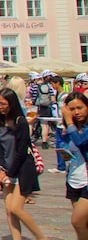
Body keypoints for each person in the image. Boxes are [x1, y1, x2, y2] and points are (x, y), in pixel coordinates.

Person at [0, 87, 45, 240]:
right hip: (7, 168)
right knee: (9, 209)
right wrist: (1, 169)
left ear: (11, 103)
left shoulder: (20, 122)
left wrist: (9, 172)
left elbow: (22, 150)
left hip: (22, 168)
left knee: (16, 208)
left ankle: (41, 237)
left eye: (3, 104)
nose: (0, 107)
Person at [61, 91, 88, 239]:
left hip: (86, 182)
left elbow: (81, 141)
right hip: (74, 178)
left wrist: (69, 122)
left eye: (80, 107)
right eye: (72, 109)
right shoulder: (70, 129)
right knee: (83, 225)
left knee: (77, 221)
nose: (76, 112)